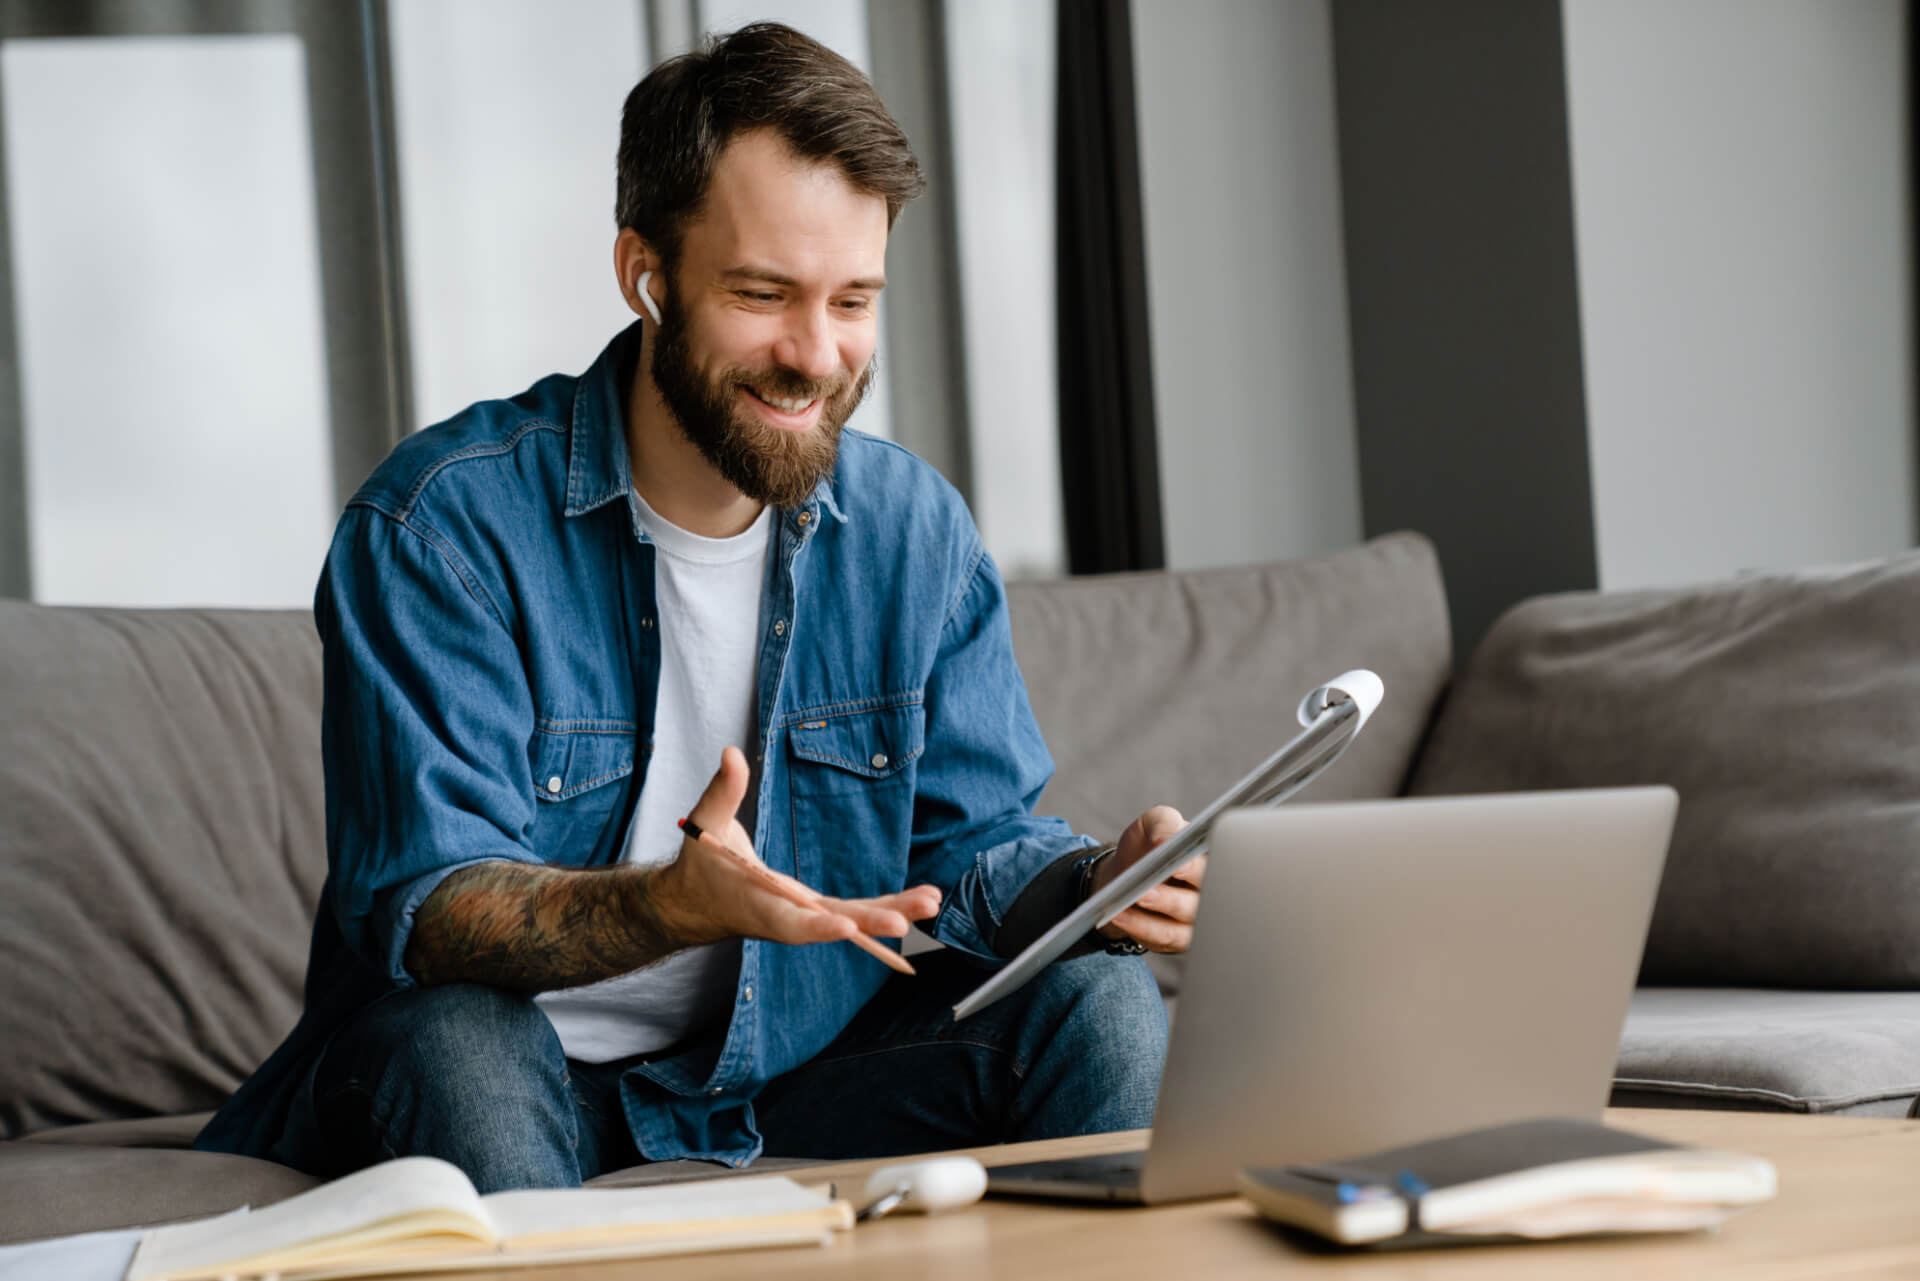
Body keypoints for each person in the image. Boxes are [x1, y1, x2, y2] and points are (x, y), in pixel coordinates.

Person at [196, 22, 1202, 1191]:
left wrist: (1100, 889)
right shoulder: (441, 528)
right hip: (488, 1068)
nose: (816, 355)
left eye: (853, 301)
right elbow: (428, 908)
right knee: (461, 1041)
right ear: (646, 274)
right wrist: (670, 908)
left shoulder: (912, 533)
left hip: (778, 1075)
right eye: (764, 294)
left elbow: (973, 841)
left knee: (1099, 994)